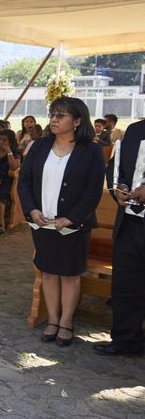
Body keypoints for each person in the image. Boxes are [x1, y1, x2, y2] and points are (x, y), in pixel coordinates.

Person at [18, 96, 105, 348]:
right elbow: (24, 182)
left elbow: (92, 191)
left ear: (77, 121)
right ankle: (52, 320)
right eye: (52, 114)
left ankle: (66, 321)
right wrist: (32, 210)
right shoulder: (40, 146)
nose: (54, 119)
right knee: (47, 271)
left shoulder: (91, 151)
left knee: (69, 274)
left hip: (72, 226)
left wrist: (71, 217)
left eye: (61, 115)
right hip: (42, 222)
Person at [94, 117, 145, 357]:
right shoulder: (134, 131)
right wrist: (119, 189)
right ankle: (126, 340)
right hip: (130, 222)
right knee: (126, 285)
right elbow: (115, 169)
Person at [0, 129, 21, 233]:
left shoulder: (15, 152)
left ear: (10, 141)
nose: (1, 142)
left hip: (6, 181)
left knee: (0, 193)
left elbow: (14, 167)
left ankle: (1, 224)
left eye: (4, 140)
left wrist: (9, 152)